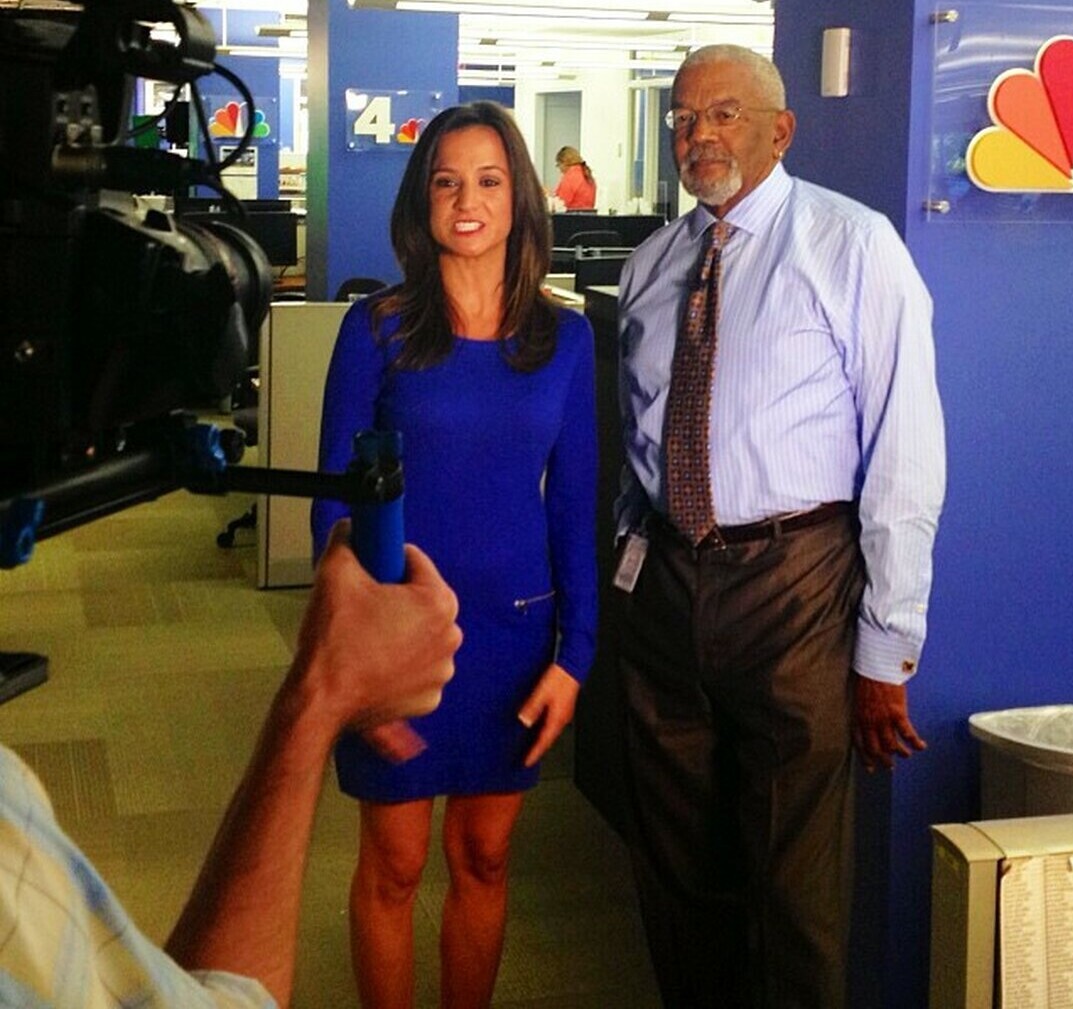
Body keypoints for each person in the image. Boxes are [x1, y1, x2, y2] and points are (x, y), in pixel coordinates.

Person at [613, 44, 945, 1009]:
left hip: (796, 585)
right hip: (666, 585)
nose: (698, 136)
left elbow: (905, 453)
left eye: (724, 114)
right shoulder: (650, 266)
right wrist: (632, 566)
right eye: (683, 118)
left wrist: (886, 647)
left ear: (781, 130)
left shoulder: (854, 246)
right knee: (677, 868)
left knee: (793, 886)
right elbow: (638, 440)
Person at [311, 101, 598, 1008]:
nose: (466, 201)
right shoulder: (378, 328)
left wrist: (576, 657)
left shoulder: (566, 339)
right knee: (393, 864)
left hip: (513, 638)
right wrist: (352, 658)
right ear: (422, 200)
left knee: (485, 855)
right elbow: (334, 505)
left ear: (519, 199)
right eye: (446, 182)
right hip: (396, 638)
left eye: (488, 180)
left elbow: (577, 507)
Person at [0, 519, 461, 1008]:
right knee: (396, 863)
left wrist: (325, 689)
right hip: (392, 594)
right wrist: (322, 694)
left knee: (481, 852)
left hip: (483, 610)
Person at [553, 145, 597, 210]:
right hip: (588, 215)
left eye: (558, 165)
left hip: (571, 215)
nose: (560, 170)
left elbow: (560, 205)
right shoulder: (587, 175)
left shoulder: (570, 177)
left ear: (564, 162)